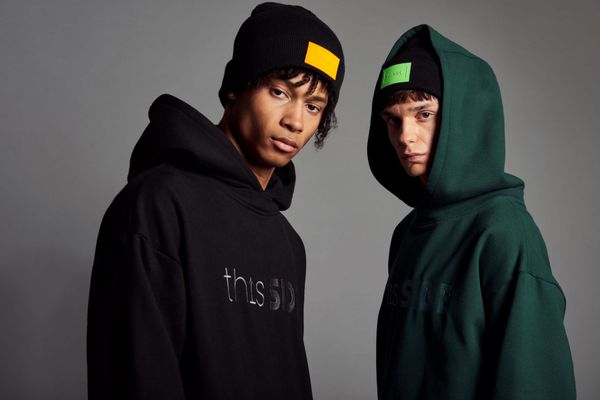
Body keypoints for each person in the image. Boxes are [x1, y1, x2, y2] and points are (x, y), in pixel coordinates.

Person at [87, 3, 344, 399]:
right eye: (279, 92)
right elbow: (135, 377)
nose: (295, 121)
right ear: (236, 88)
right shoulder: (156, 205)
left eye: (313, 106)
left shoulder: (288, 244)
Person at [368, 25, 575, 399]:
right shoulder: (407, 233)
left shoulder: (505, 233)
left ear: (462, 117)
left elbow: (534, 384)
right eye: (393, 120)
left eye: (424, 114)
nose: (405, 136)